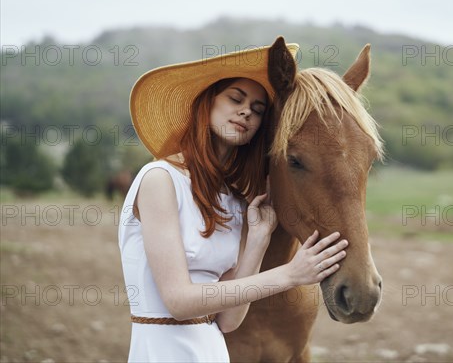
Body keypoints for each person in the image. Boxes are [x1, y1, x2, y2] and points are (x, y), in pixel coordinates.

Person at [118, 40, 349, 362]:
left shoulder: (233, 201)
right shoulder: (159, 179)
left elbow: (229, 320)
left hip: (212, 351)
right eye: (235, 99)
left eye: (257, 110)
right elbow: (178, 302)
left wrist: (257, 239)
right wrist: (290, 275)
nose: (246, 112)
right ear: (207, 104)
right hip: (162, 352)